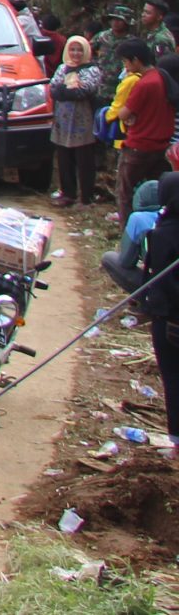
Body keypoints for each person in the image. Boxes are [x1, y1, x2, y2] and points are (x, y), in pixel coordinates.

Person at [140, 170, 179, 463]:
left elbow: (160, 283)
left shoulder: (163, 233)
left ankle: (177, 443)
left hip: (170, 323)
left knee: (173, 379)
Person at [113, 39, 175, 218]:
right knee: (158, 194)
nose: (125, 66)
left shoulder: (144, 84)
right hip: (161, 145)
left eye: (125, 61)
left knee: (125, 193)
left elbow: (123, 114)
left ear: (135, 60)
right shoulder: (161, 77)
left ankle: (128, 236)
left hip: (138, 146)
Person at [49, 37, 109, 207]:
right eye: (73, 50)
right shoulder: (63, 67)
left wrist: (66, 90)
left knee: (84, 160)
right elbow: (54, 89)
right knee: (64, 158)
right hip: (62, 120)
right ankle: (67, 193)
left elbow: (85, 91)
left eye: (79, 50)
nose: (76, 54)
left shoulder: (92, 70)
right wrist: (69, 90)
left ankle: (86, 197)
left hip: (83, 120)